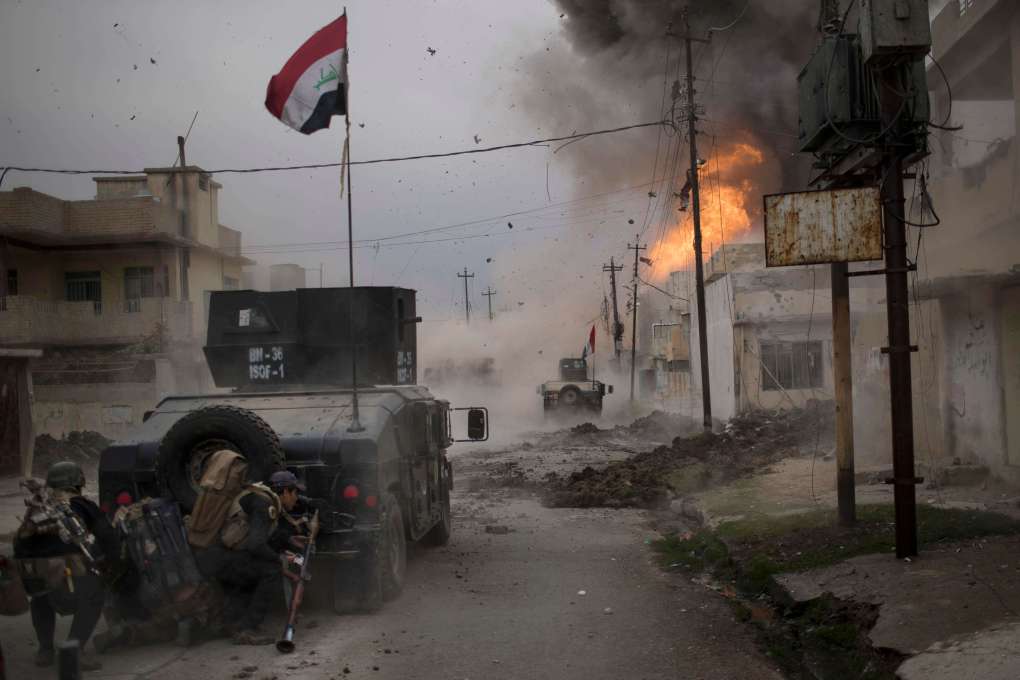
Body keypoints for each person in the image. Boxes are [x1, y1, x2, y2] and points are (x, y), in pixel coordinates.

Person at [13, 461, 120, 671]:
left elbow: (20, 543)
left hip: (36, 576)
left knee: (40, 598)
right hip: (69, 577)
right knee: (95, 595)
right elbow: (109, 539)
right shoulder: (83, 505)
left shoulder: (38, 507)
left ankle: (45, 650)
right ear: (77, 483)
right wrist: (112, 566)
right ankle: (76, 650)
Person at [192, 464, 286, 645]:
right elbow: (256, 544)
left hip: (207, 556)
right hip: (218, 559)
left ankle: (231, 623)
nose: (295, 499)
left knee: (249, 571)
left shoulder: (252, 495)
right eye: (295, 493)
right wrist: (278, 559)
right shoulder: (264, 503)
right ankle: (247, 629)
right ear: (286, 492)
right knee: (271, 570)